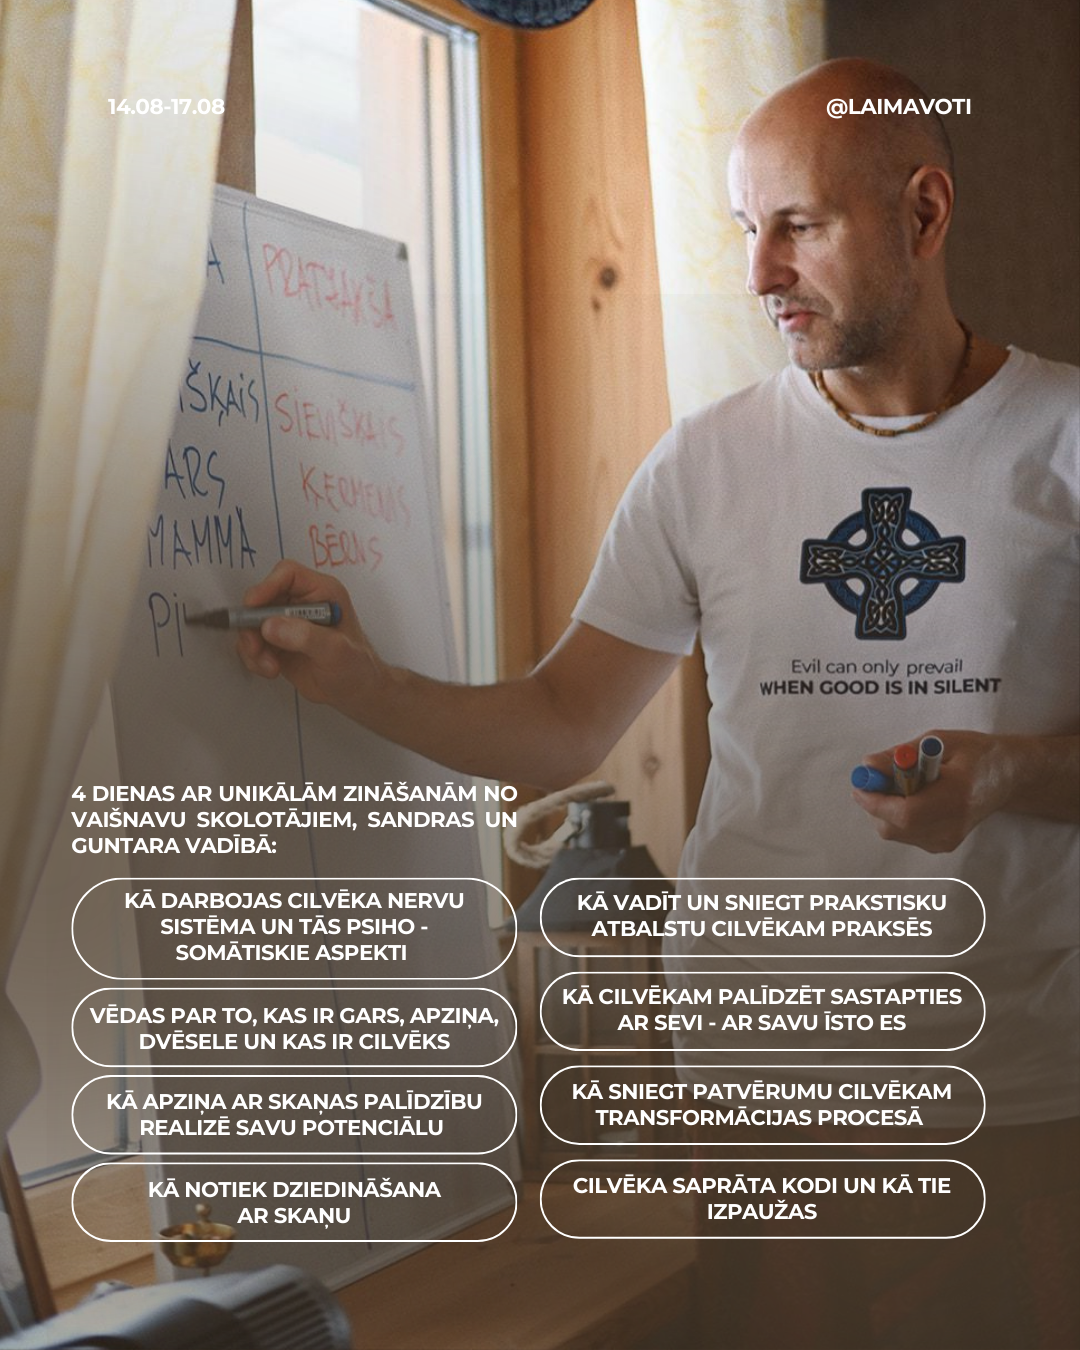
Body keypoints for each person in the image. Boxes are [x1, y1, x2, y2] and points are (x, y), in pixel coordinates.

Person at [239, 58, 1078, 1347]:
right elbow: (562, 725)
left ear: (922, 212)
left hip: (1018, 1066)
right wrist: (362, 679)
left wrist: (1011, 775)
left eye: (800, 224)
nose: (760, 275)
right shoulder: (706, 463)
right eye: (748, 230)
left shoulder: (1066, 440)